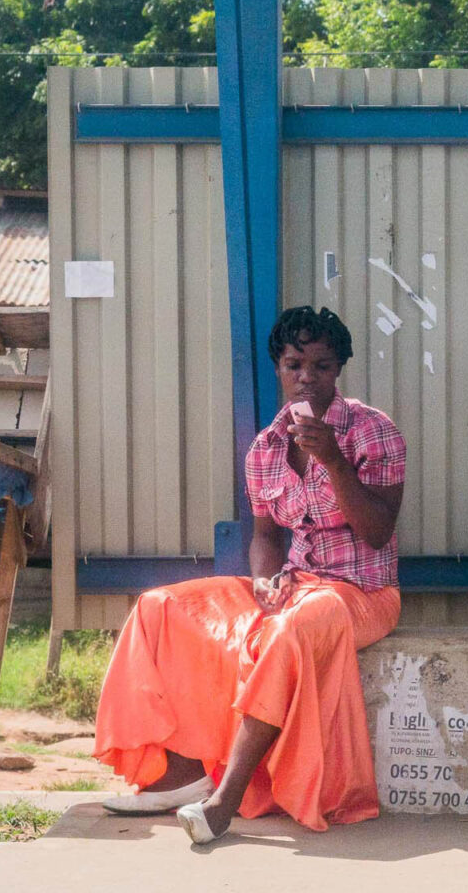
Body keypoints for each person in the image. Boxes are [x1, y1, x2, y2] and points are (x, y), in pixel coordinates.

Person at [94, 306, 406, 846]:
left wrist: (334, 461)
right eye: (294, 365)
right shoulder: (265, 448)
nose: (307, 378)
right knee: (159, 607)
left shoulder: (373, 431)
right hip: (296, 584)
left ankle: (225, 798)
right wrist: (263, 581)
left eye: (321, 366)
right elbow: (265, 536)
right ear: (278, 368)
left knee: (287, 631)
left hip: (362, 593)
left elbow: (378, 532)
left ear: (338, 370)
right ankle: (179, 776)